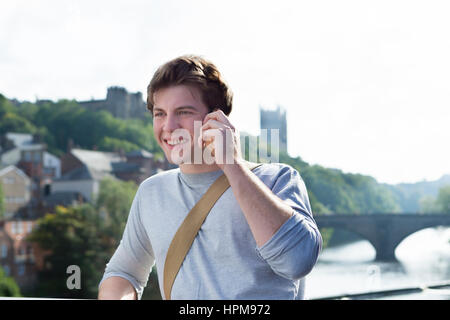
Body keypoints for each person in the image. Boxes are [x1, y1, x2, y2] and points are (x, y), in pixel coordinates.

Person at [98, 55, 322, 300]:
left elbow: (297, 262)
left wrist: (232, 164)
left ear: (216, 118)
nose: (168, 126)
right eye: (160, 113)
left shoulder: (277, 179)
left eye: (183, 112)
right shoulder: (152, 192)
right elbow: (124, 272)